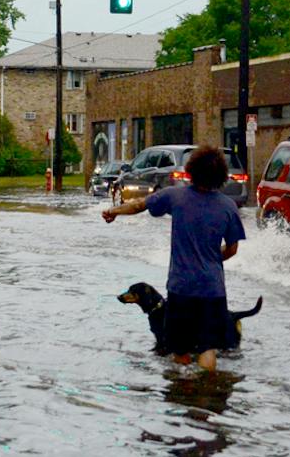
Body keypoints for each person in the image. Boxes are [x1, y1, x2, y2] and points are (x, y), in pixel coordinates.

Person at [102, 144, 245, 372]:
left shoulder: (175, 196)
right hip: (214, 289)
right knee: (208, 348)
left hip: (182, 288)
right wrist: (210, 259)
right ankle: (207, 394)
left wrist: (113, 212)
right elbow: (232, 249)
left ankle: (184, 392)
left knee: (180, 350)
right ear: (221, 176)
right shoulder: (229, 207)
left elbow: (140, 205)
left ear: (191, 170)